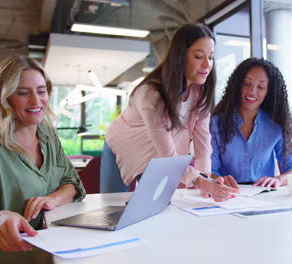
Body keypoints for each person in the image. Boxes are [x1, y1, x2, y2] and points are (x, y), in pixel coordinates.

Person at [0, 55, 86, 263]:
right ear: (5, 98)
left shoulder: (47, 133)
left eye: (41, 91)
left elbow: (72, 183)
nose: (36, 101)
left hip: (37, 236)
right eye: (23, 93)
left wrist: (52, 199)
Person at [101, 23, 238, 201]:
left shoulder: (200, 92)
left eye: (211, 57)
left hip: (157, 152)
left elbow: (203, 139)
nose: (207, 65)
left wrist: (206, 179)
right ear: (180, 56)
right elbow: (168, 158)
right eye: (199, 56)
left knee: (158, 204)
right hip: (123, 145)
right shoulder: (152, 95)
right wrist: (201, 182)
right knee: (112, 206)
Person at [210, 57, 292, 189]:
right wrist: (219, 181)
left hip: (263, 196)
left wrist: (278, 180)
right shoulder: (216, 124)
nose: (252, 91)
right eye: (246, 84)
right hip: (226, 194)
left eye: (261, 87)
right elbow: (210, 170)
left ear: (269, 92)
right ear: (237, 85)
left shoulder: (275, 126)